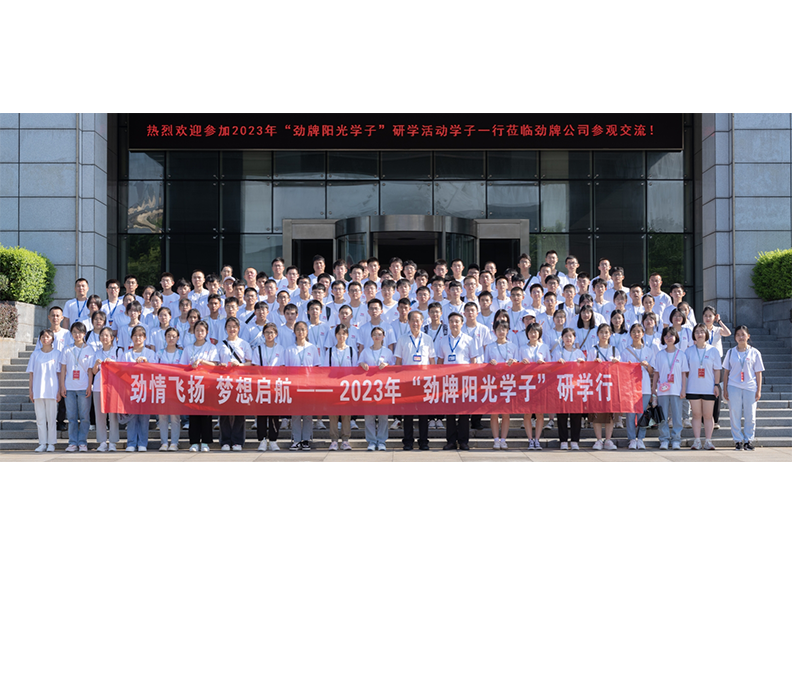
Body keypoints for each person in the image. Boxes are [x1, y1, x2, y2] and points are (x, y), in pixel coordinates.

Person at [436, 312, 480, 450]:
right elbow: (440, 360)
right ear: (448, 323)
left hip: (464, 381)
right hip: (448, 381)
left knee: (464, 413)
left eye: (457, 321)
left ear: (462, 323)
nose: (454, 324)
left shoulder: (469, 340)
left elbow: (473, 360)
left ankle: (463, 441)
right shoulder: (443, 340)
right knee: (450, 413)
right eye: (451, 321)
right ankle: (450, 441)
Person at [394, 310, 436, 451]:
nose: (415, 323)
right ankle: (408, 442)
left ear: (422, 322)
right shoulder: (402, 339)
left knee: (424, 414)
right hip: (407, 382)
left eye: (418, 320)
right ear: (408, 322)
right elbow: (398, 361)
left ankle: (424, 441)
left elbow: (432, 361)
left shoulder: (428, 339)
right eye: (412, 320)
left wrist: (432, 379)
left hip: (424, 382)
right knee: (408, 414)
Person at [722, 325, 764, 451]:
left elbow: (758, 373)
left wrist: (759, 390)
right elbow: (726, 372)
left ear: (748, 336)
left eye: (743, 334)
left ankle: (748, 440)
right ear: (735, 337)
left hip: (750, 387)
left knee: (750, 415)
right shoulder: (730, 352)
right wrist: (725, 389)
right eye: (738, 335)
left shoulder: (754, 352)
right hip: (733, 386)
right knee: (735, 414)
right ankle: (738, 440)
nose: (741, 337)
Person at [180, 320, 220, 452]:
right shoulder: (188, 348)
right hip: (192, 385)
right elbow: (182, 366)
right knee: (193, 414)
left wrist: (202, 362)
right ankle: (194, 442)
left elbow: (215, 365)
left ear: (207, 332)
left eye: (202, 331)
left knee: (206, 414)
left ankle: (206, 442)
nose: (199, 333)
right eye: (197, 330)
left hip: (207, 385)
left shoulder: (211, 347)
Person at [650, 327, 689, 451]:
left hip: (676, 390)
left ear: (676, 337)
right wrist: (653, 388)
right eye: (666, 336)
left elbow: (684, 373)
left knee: (677, 416)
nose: (668, 338)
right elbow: (656, 373)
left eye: (671, 335)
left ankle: (676, 439)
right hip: (662, 391)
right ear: (663, 338)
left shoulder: (681, 354)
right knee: (663, 417)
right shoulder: (660, 354)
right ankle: (664, 439)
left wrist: (683, 389)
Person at [217, 317, 253, 451]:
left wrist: (240, 365)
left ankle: (238, 441)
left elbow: (251, 363)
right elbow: (215, 362)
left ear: (238, 328)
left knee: (239, 412)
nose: (232, 329)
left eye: (234, 327)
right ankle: (225, 441)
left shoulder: (244, 344)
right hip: (224, 381)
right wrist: (220, 365)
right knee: (224, 412)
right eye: (229, 326)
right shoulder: (220, 344)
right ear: (225, 328)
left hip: (240, 381)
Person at [684, 323, 722, 450]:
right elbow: (686, 371)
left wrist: (716, 385)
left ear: (706, 334)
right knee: (696, 414)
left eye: (702, 331)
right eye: (697, 332)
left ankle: (708, 441)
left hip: (709, 388)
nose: (699, 334)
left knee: (708, 415)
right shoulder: (689, 351)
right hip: (693, 387)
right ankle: (697, 441)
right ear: (693, 335)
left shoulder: (713, 350)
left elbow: (717, 370)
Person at [285, 321, 321, 451]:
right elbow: (286, 370)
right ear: (294, 332)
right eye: (298, 330)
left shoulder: (312, 348)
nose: (300, 332)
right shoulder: (289, 349)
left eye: (303, 329)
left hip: (308, 385)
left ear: (307, 332)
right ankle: (296, 440)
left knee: (307, 414)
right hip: (295, 385)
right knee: (295, 414)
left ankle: (306, 440)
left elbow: (316, 367)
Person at [59, 321, 95, 452]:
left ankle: (82, 442)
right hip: (69, 387)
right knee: (72, 417)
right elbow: (63, 369)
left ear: (84, 334)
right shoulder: (67, 348)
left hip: (83, 387)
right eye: (74, 332)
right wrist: (62, 386)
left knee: (84, 417)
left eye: (80, 332)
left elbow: (90, 370)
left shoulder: (89, 349)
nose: (77, 335)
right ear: (71, 334)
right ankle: (73, 442)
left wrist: (89, 385)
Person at [122, 325, 157, 452]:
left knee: (144, 418)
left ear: (145, 338)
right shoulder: (126, 354)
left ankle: (142, 443)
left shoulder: (150, 353)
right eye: (135, 335)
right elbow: (120, 371)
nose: (138, 338)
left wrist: (146, 362)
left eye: (140, 336)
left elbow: (156, 370)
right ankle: (131, 443)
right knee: (132, 418)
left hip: (145, 389)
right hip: (130, 390)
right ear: (131, 337)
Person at [484, 320, 519, 450]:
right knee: (494, 413)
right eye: (498, 329)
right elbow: (484, 363)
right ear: (494, 331)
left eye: (503, 329)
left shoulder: (513, 346)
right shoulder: (490, 347)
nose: (501, 332)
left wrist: (514, 362)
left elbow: (519, 364)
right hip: (494, 382)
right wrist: (490, 363)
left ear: (507, 331)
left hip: (508, 382)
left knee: (506, 413)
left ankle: (503, 439)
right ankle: (496, 439)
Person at [621, 323, 656, 450]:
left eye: (638, 332)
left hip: (644, 386)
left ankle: (641, 438)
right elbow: (621, 370)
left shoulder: (648, 351)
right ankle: (631, 439)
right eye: (634, 332)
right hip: (630, 387)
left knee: (642, 413)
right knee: (630, 414)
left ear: (643, 334)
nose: (636, 334)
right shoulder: (626, 351)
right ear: (630, 334)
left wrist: (647, 365)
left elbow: (652, 371)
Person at [324, 325, 358, 451]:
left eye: (344, 333)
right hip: (333, 387)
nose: (341, 336)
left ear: (347, 335)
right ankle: (334, 440)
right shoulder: (330, 351)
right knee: (333, 414)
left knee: (346, 414)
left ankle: (345, 440)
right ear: (335, 335)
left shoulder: (351, 351)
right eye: (339, 333)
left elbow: (355, 370)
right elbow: (325, 370)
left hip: (347, 387)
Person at [252, 323, 286, 451]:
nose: (269, 335)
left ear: (276, 334)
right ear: (263, 334)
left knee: (274, 414)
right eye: (267, 332)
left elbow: (282, 367)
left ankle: (273, 440)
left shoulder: (280, 349)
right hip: (262, 385)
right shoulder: (258, 349)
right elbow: (256, 367)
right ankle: (262, 440)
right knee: (261, 414)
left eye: (271, 332)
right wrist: (264, 379)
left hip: (275, 385)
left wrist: (273, 380)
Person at [27, 329, 61, 453]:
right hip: (38, 390)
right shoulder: (35, 354)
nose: (45, 339)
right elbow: (31, 373)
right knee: (40, 418)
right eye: (43, 337)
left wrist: (59, 390)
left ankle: (51, 443)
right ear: (40, 339)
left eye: (48, 337)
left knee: (51, 419)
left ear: (52, 339)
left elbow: (59, 374)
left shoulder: (57, 354)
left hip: (52, 390)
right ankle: (42, 443)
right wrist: (30, 390)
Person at [587, 323, 620, 451]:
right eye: (601, 332)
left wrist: (616, 364)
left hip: (610, 386)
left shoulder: (614, 350)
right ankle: (599, 440)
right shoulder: (593, 350)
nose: (604, 335)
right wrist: (593, 364)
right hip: (596, 386)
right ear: (597, 334)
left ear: (610, 334)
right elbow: (586, 368)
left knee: (609, 414)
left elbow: (620, 369)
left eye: (606, 332)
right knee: (597, 413)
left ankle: (608, 440)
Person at [89, 326, 123, 452]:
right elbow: (94, 371)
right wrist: (96, 364)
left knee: (113, 416)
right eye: (102, 335)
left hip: (113, 388)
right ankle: (102, 442)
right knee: (100, 416)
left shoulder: (118, 351)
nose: (104, 338)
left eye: (107, 335)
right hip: (99, 387)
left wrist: (113, 363)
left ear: (112, 338)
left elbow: (122, 370)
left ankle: (113, 442)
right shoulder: (97, 353)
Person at [552, 328, 586, 450]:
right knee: (562, 415)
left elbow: (586, 370)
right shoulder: (557, 352)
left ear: (574, 338)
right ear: (562, 338)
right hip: (562, 386)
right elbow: (551, 369)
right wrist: (557, 364)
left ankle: (575, 440)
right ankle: (563, 441)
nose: (568, 339)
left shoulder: (579, 353)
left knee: (576, 414)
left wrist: (582, 363)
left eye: (570, 336)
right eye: (566, 336)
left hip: (576, 387)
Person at [520, 322, 551, 450]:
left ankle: (537, 439)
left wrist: (543, 363)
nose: (533, 334)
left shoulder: (544, 347)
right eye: (530, 332)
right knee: (527, 414)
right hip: (526, 384)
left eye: (535, 332)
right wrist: (522, 363)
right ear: (527, 334)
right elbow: (516, 365)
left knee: (539, 413)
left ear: (539, 333)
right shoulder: (522, 348)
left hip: (540, 384)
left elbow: (550, 365)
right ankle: (530, 440)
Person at [156, 327, 183, 451]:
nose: (171, 338)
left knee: (175, 417)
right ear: (165, 338)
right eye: (168, 336)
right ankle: (164, 442)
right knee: (162, 416)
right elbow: (153, 369)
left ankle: (174, 443)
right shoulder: (160, 353)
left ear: (178, 338)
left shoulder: (181, 353)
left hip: (176, 388)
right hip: (162, 387)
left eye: (173, 336)